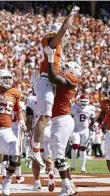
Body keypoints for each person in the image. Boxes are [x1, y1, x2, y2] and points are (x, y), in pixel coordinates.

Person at [32, 6, 80, 167]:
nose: (64, 36)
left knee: (47, 117)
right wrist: (72, 13)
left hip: (47, 80)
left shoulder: (53, 45)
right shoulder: (51, 42)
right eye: (62, 34)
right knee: (45, 116)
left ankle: (41, 150)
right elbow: (65, 27)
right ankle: (35, 149)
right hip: (46, 80)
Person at [44, 45, 81, 195]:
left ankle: (66, 188)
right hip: (59, 119)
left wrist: (51, 59)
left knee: (58, 156)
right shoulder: (68, 79)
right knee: (57, 154)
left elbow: (53, 77)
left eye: (65, 68)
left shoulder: (71, 79)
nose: (63, 69)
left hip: (62, 119)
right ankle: (70, 185)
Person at [25, 86, 55, 192]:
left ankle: (37, 182)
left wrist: (27, 131)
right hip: (49, 130)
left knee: (35, 157)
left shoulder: (31, 99)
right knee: (48, 155)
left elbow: (29, 118)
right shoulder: (51, 97)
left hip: (37, 130)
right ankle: (50, 173)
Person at [1, 86, 26, 184]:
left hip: (6, 128)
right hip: (16, 130)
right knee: (17, 154)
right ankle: (18, 176)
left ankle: (4, 175)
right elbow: (21, 115)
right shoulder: (21, 104)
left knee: (5, 154)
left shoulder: (7, 102)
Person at [70, 94, 96, 172]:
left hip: (85, 130)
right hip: (76, 129)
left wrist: (92, 129)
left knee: (83, 148)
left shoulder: (91, 108)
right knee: (75, 146)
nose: (84, 103)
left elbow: (92, 120)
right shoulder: (74, 106)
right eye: (82, 101)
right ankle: (73, 164)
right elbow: (70, 117)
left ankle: (83, 167)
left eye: (85, 101)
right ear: (79, 101)